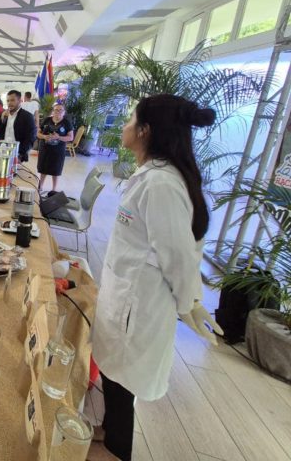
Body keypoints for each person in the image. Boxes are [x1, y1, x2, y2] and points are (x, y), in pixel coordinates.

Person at [89, 95, 218, 461]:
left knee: (120, 385)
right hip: (127, 295)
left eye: (131, 120)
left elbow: (177, 255)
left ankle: (116, 451)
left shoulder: (161, 184)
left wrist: (190, 303)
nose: (125, 126)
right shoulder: (151, 176)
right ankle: (109, 433)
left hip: (139, 306)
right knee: (115, 383)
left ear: (145, 131)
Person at [36, 102, 74, 192]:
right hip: (45, 149)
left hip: (58, 151)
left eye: (61, 110)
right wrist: (44, 136)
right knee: (43, 169)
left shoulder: (66, 123)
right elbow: (38, 133)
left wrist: (59, 137)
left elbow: (71, 137)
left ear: (64, 112)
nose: (58, 112)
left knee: (56, 170)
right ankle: (40, 186)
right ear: (53, 111)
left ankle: (53, 189)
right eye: (56, 110)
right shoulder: (47, 120)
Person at [0, 90, 36, 163]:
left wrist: (20, 154)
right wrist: (1, 119)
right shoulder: (3, 114)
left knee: (13, 173)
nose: (9, 103)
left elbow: (30, 138)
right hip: (1, 151)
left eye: (12, 100)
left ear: (19, 101)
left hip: (17, 154)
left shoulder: (27, 116)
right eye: (8, 101)